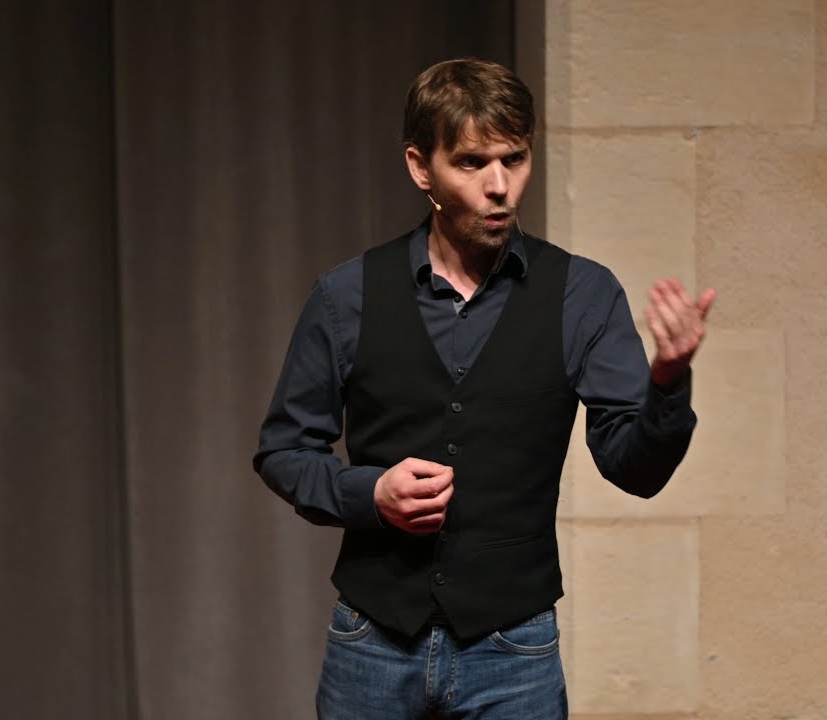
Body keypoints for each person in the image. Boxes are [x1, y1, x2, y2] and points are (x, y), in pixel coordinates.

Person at [253, 57, 715, 720]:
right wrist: (371, 494)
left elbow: (634, 470)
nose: (500, 186)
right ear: (421, 168)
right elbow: (283, 452)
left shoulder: (580, 295)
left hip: (514, 650)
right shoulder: (347, 295)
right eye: (472, 163)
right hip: (373, 644)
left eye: (515, 159)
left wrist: (667, 381)